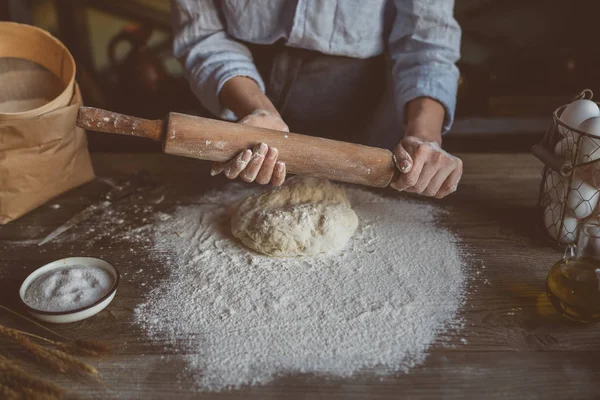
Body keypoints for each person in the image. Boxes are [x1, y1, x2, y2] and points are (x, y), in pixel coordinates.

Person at [172, 0, 463, 198]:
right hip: (238, 96)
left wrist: (424, 136)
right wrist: (257, 111)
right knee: (218, 208)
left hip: (360, 108)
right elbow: (204, 34)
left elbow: (427, 40)